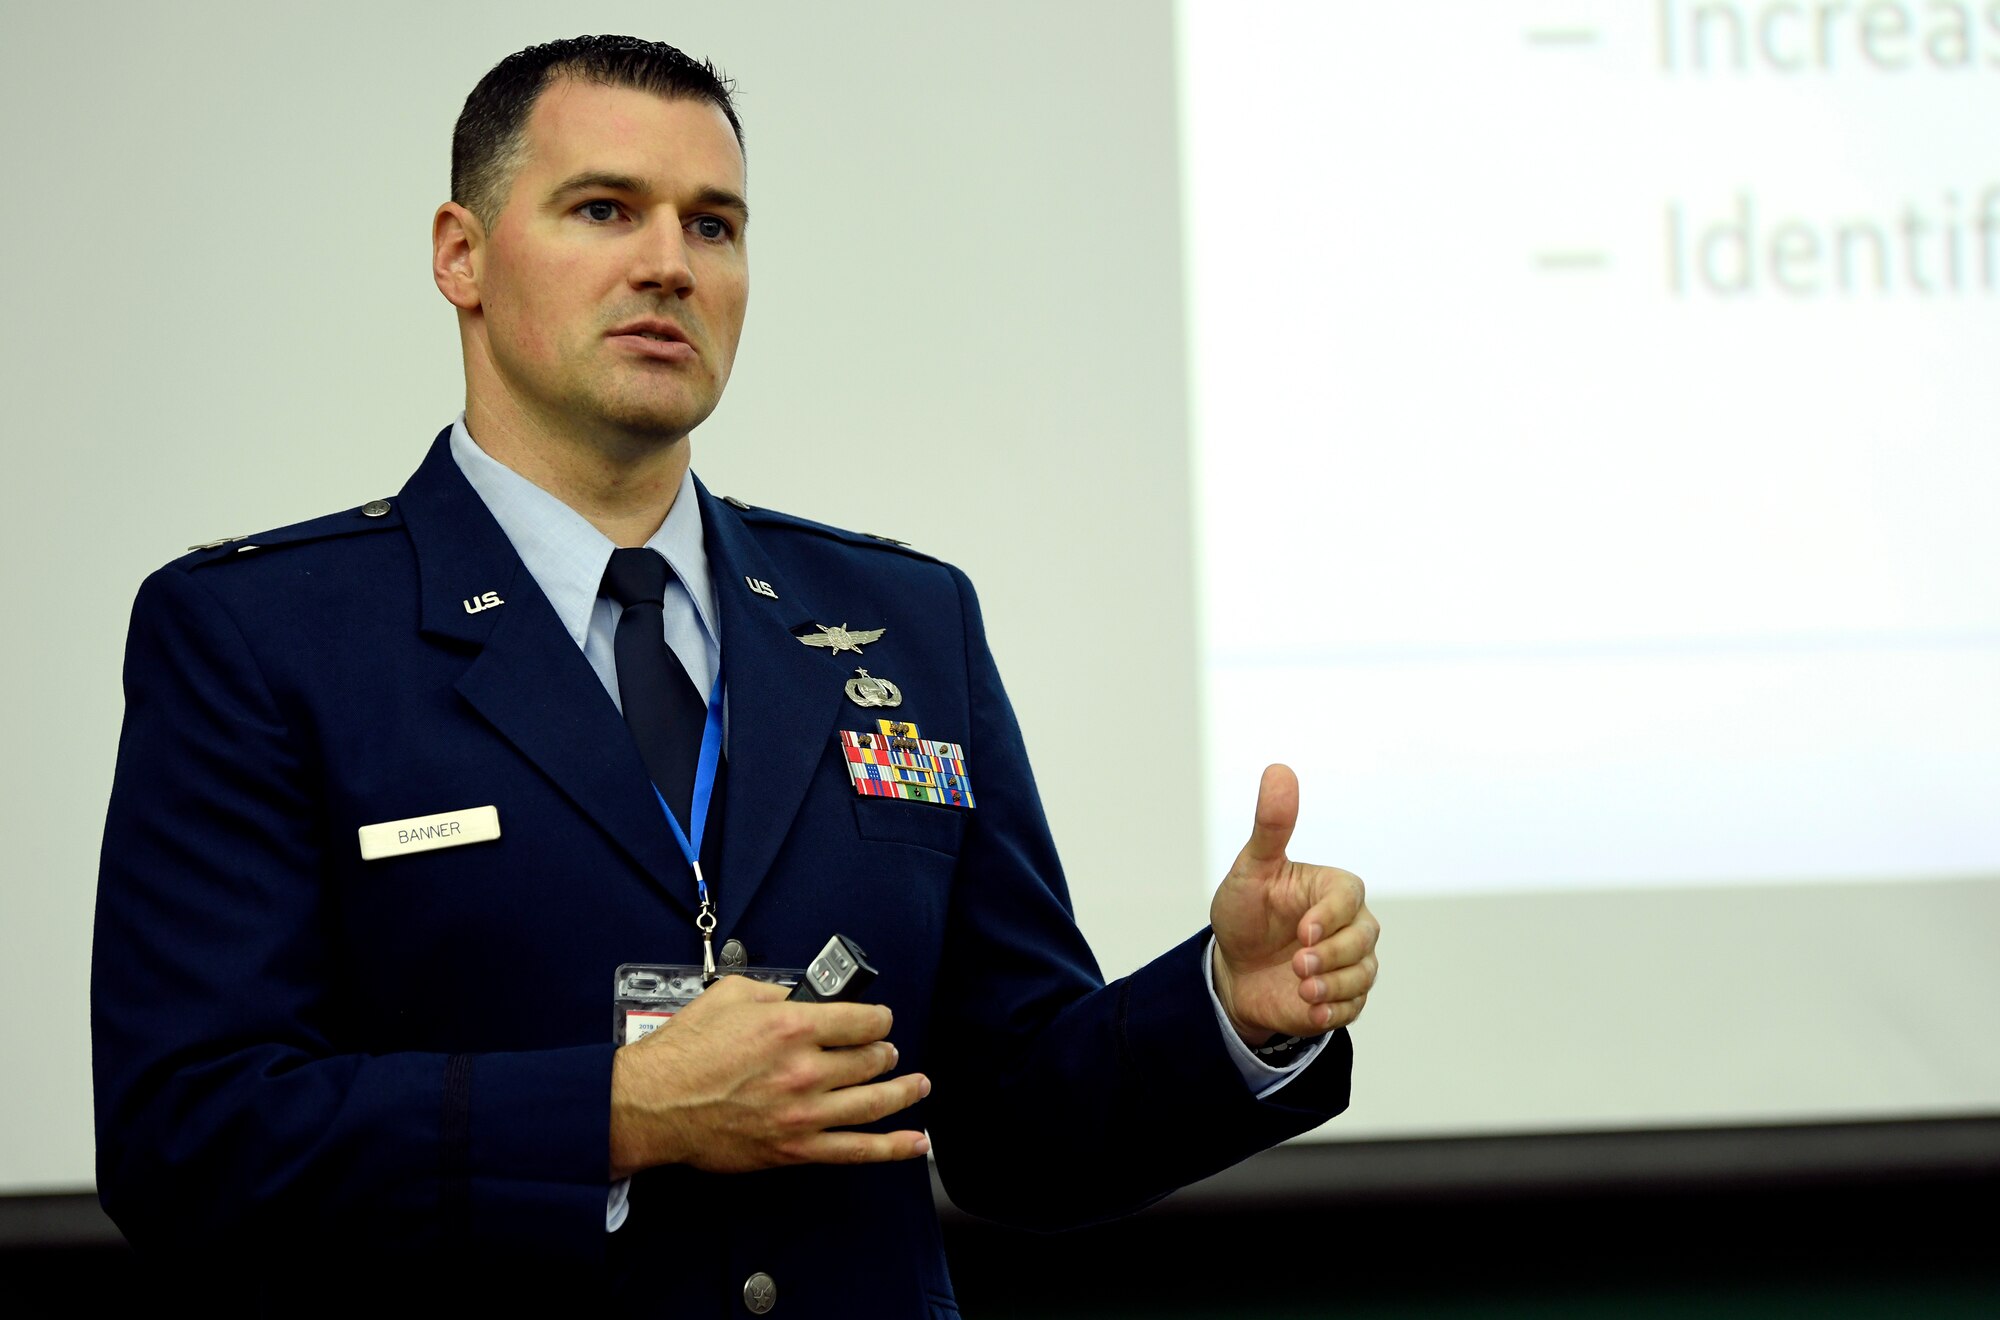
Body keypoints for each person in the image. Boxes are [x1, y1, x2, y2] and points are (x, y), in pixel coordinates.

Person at [92, 35, 1379, 1313]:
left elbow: (1014, 1127)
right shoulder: (264, 637)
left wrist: (1232, 1008)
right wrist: (612, 1116)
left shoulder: (901, 619)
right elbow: (187, 1142)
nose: (668, 262)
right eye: (604, 210)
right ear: (460, 254)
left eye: (713, 226)